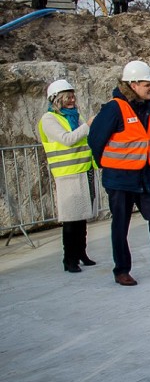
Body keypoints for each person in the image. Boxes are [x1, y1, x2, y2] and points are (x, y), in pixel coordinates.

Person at [88, 60, 150, 286]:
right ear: (132, 85)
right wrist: (104, 164)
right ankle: (121, 270)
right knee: (120, 225)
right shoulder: (114, 108)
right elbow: (95, 138)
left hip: (144, 176)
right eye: (146, 84)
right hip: (119, 179)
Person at [38, 80, 98, 273]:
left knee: (82, 217)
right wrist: (88, 125)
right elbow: (67, 139)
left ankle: (82, 253)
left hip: (83, 170)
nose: (72, 100)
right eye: (67, 98)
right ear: (57, 100)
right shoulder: (49, 119)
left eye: (73, 97)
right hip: (67, 174)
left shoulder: (75, 116)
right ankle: (69, 259)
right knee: (71, 219)